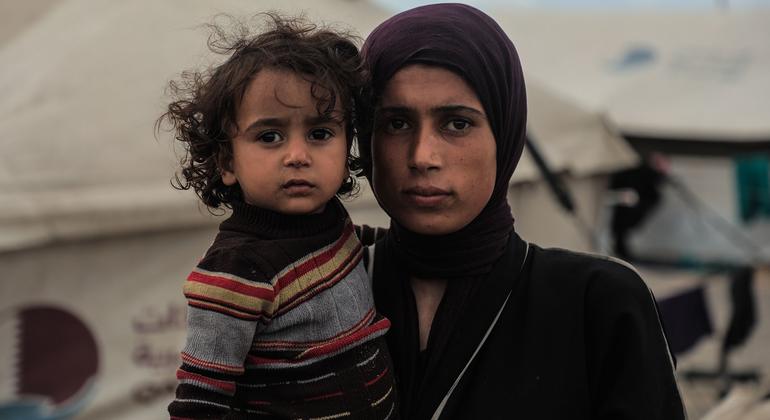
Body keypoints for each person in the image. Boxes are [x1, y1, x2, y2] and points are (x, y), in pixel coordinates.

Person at [356, 4, 686, 419]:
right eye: (396, 123)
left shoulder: (597, 304)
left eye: (457, 124)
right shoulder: (319, 291)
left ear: (505, 132)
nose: (423, 156)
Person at [159, 15, 396, 419]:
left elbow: (356, 246)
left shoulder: (331, 223)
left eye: (320, 133)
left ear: (347, 147)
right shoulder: (235, 271)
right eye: (269, 136)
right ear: (227, 161)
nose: (298, 156)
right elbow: (200, 401)